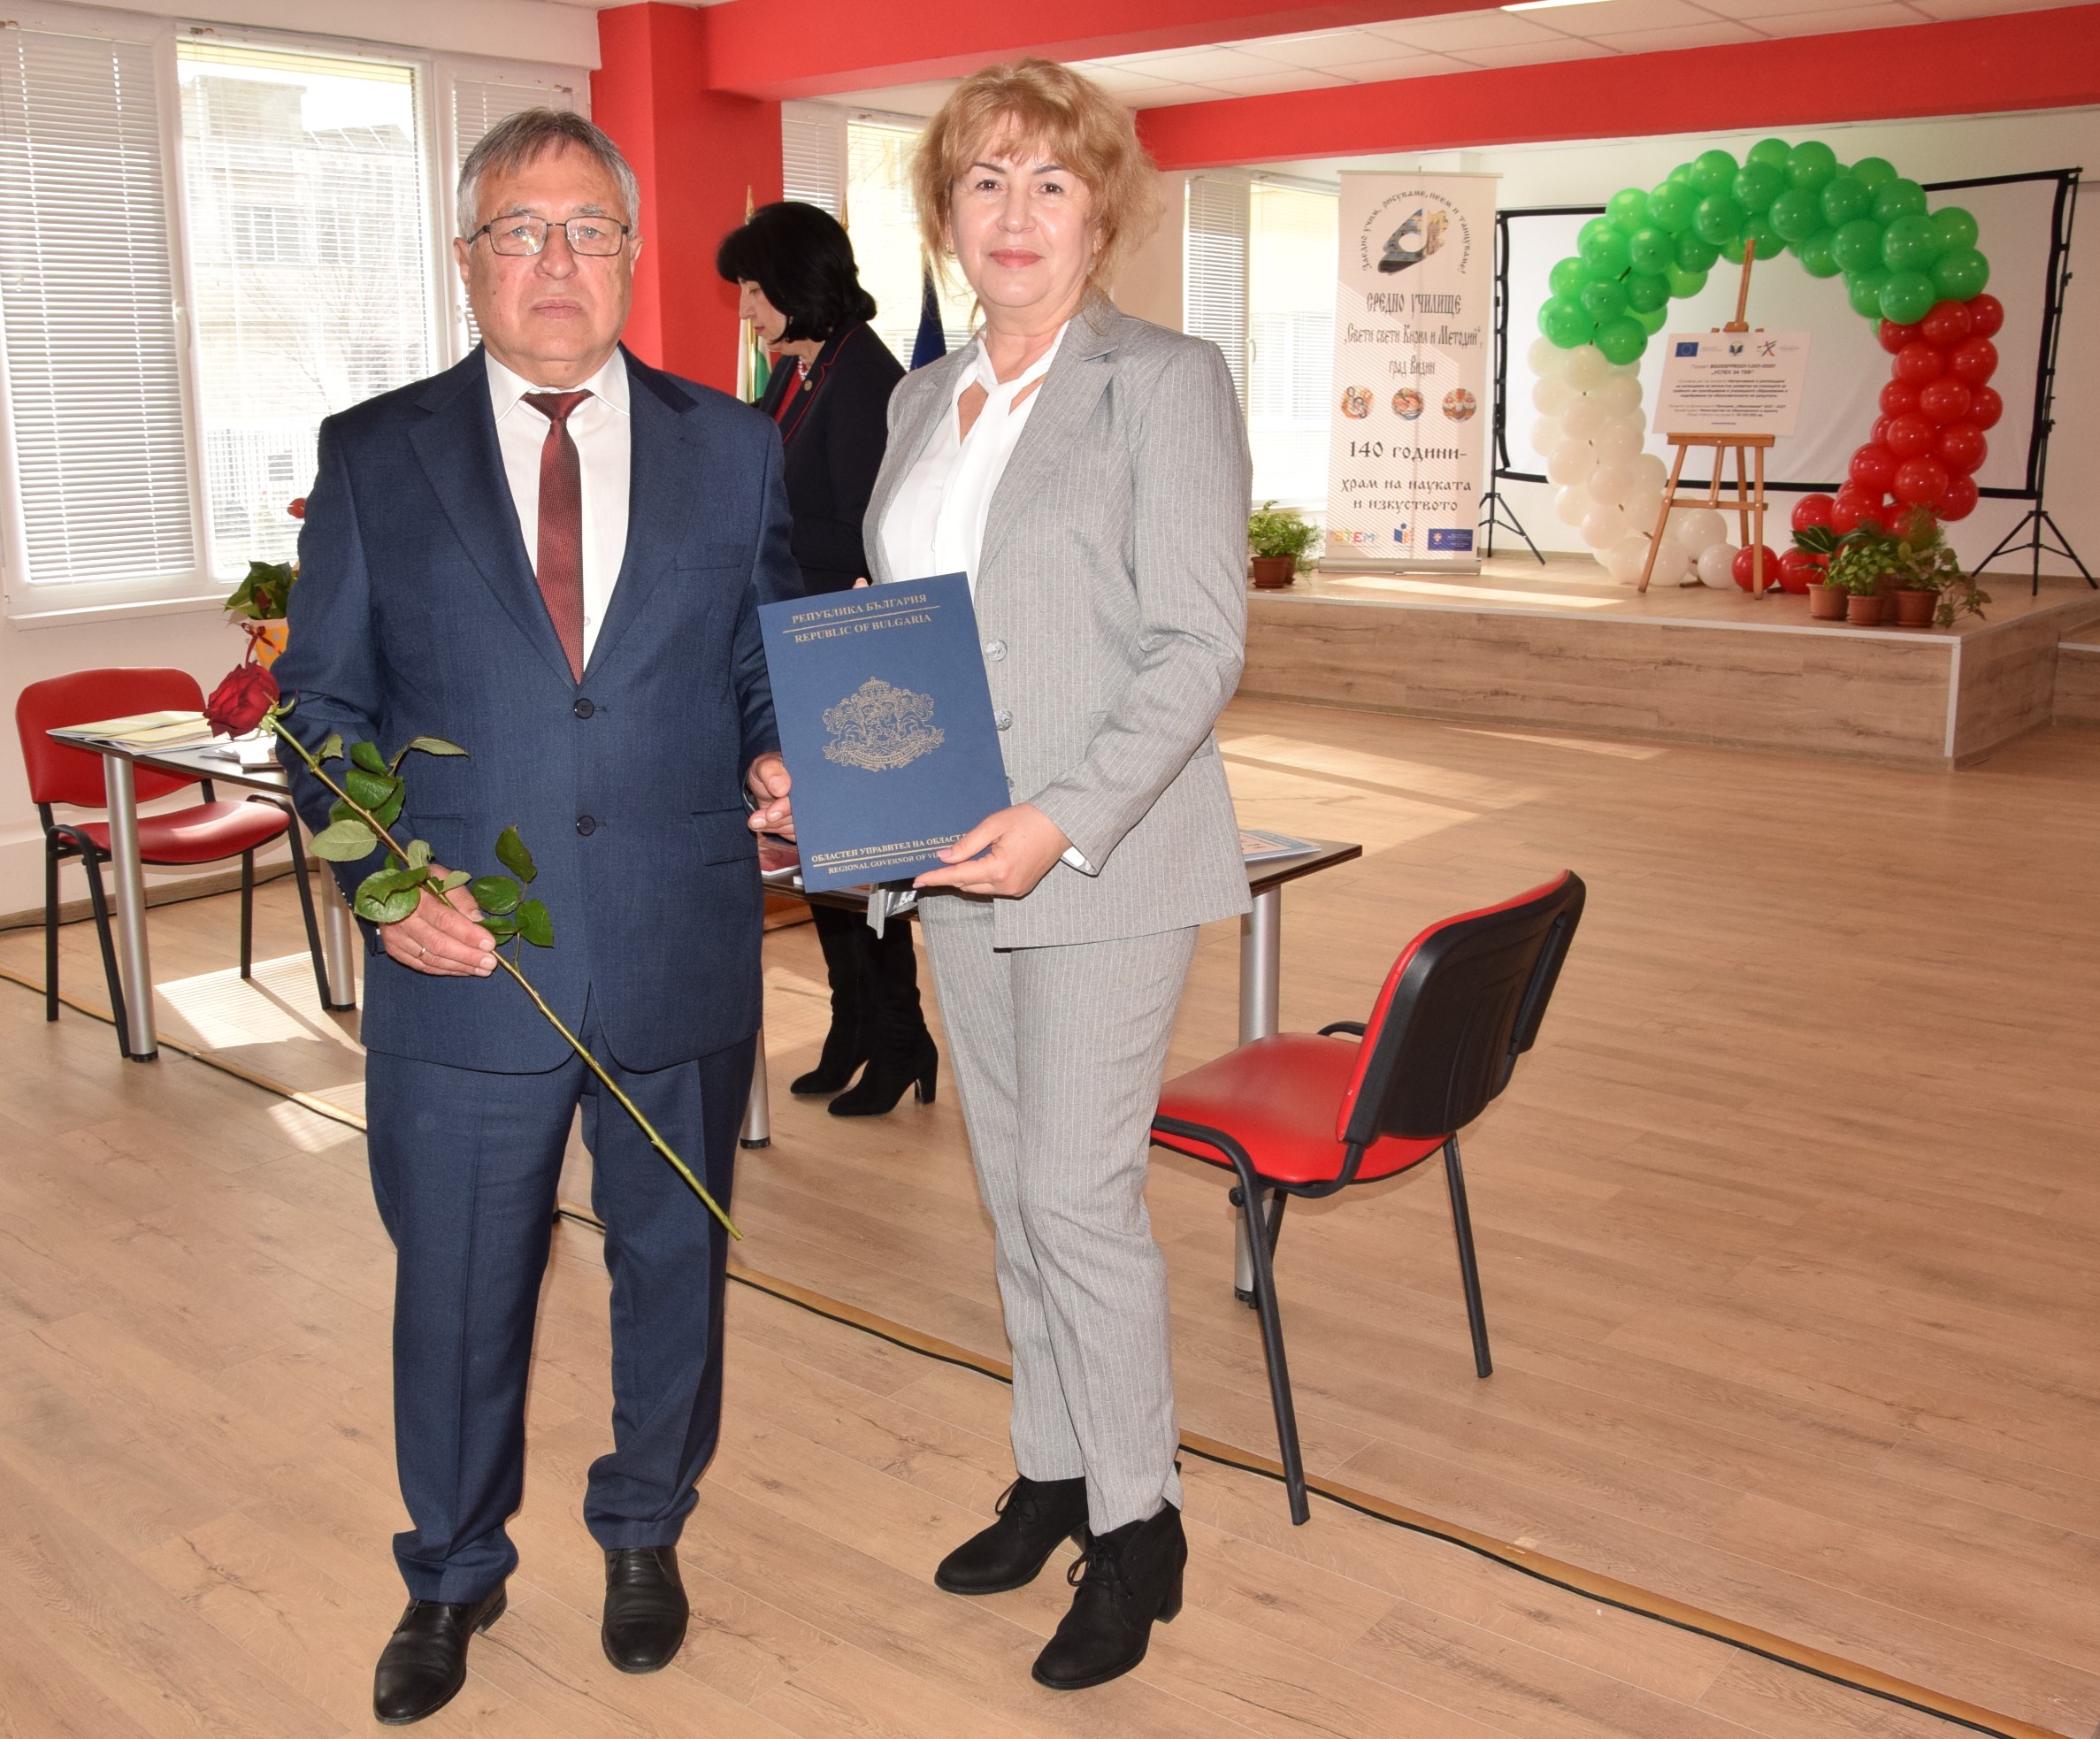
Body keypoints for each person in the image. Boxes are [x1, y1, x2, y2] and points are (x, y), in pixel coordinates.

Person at [272, 109, 799, 1726]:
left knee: (672, 1268)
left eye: (588, 229)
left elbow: (759, 657)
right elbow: (318, 710)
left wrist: (779, 749)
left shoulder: (733, 446)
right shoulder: (376, 453)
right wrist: (385, 881)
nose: (556, 261)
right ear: (467, 259)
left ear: (632, 254)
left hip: (674, 937)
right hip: (462, 957)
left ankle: (645, 1527)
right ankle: (450, 1566)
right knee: (455, 1289)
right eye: (521, 229)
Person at [864, 58, 1252, 1689]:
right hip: (954, 859)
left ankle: (1139, 1523)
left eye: (1048, 181)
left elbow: (1197, 643)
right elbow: (906, 635)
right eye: (982, 181)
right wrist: (825, 762)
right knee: (1011, 1180)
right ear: (943, 213)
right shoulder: (919, 400)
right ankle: (1052, 1463)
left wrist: (1062, 817)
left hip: (1101, 858)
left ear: (1100, 211)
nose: (1012, 213)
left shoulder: (1161, 380)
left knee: (1077, 1197)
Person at [715, 202, 937, 1117]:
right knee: (823, 860)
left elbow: (862, 531)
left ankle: (901, 1032)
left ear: (798, 284)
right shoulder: (802, 370)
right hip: (798, 644)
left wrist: (747, 534)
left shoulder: (866, 378)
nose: (745, 310)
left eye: (753, 290)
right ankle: (853, 1024)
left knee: (863, 858)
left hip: (846, 652)